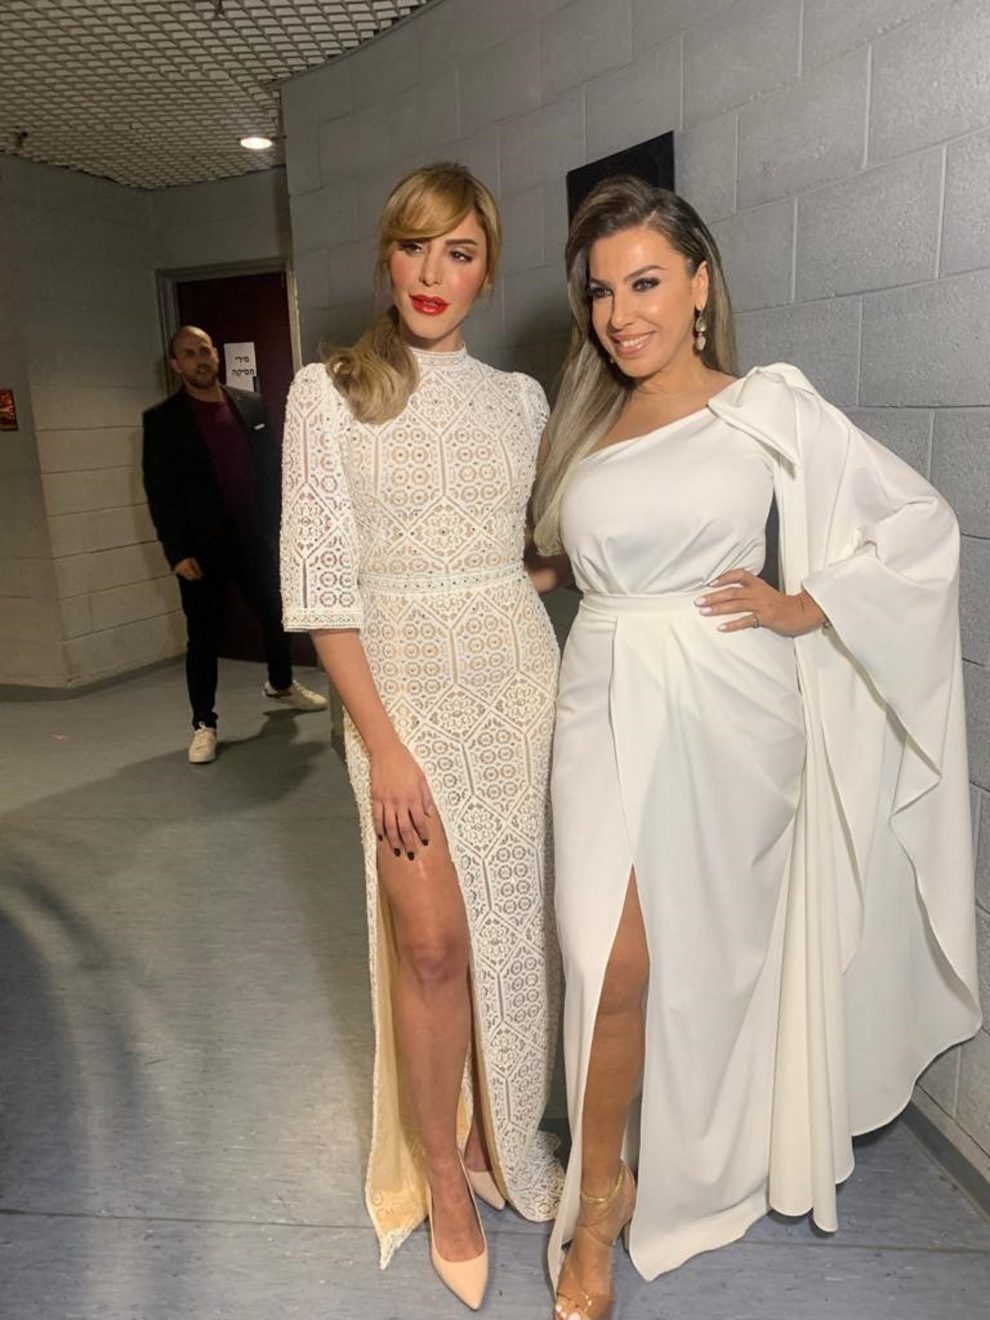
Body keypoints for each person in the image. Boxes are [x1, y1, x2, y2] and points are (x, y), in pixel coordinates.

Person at [529, 175, 981, 1320]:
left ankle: (706, 1161)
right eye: (601, 292)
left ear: (699, 285)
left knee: (708, 964)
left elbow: (918, 520)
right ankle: (601, 1201)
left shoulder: (766, 406)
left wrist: (811, 603)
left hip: (730, 704)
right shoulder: (582, 421)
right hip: (602, 691)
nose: (621, 313)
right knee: (607, 960)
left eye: (645, 282)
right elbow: (580, 563)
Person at [279, 163, 562, 1308]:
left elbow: (516, 547)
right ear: (387, 257)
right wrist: (384, 745)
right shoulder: (329, 391)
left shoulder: (523, 401)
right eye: (414, 245)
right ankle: (444, 1174)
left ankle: (501, 1136)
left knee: (510, 932)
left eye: (459, 252)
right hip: (397, 710)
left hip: (516, 692)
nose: (433, 273)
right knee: (434, 944)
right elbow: (321, 589)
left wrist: (547, 575)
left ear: (487, 269)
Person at [143, 327, 326, 763]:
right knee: (203, 637)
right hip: (200, 549)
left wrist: (283, 530)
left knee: (276, 613)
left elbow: (272, 470)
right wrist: (176, 552)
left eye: (205, 350)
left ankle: (280, 684)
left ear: (216, 355)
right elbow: (159, 491)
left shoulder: (250, 404)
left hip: (253, 538)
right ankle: (203, 723)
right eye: (190, 354)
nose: (201, 359)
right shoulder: (163, 420)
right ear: (177, 365)